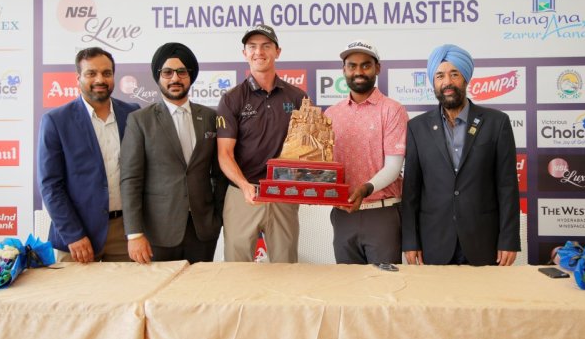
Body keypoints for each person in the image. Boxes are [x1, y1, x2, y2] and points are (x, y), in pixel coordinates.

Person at [401, 44, 520, 266]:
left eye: (454, 74)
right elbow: (411, 191)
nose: (447, 82)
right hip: (433, 242)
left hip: (483, 240)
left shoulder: (497, 123)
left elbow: (507, 187)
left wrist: (509, 239)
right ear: (433, 82)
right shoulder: (417, 127)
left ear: (465, 78)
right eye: (440, 76)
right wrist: (410, 241)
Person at [120, 42, 227, 264]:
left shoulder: (210, 117)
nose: (175, 78)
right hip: (158, 232)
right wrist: (134, 234)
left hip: (203, 230)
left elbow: (219, 174)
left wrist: (217, 218)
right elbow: (131, 180)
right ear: (158, 76)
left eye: (182, 72)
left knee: (200, 286)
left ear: (191, 76)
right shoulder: (140, 120)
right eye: (167, 72)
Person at [38, 47, 139, 262]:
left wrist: (137, 231)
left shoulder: (133, 114)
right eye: (91, 73)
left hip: (125, 233)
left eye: (106, 73)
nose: (100, 79)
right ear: (78, 78)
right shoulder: (56, 121)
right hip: (78, 236)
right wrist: (74, 234)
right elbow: (50, 185)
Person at [217, 24, 307, 262]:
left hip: (283, 194)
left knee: (286, 266)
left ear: (278, 52)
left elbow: (307, 151)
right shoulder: (231, 98)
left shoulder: (298, 97)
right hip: (242, 193)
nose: (259, 52)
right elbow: (225, 154)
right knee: (236, 268)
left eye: (266, 46)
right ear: (244, 53)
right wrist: (244, 185)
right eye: (252, 46)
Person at [324, 40, 408, 264]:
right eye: (352, 66)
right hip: (343, 215)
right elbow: (324, 166)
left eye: (366, 65)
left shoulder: (392, 110)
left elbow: (393, 167)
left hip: (381, 214)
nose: (359, 72)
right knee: (348, 283)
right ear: (344, 70)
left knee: (384, 283)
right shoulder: (331, 114)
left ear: (377, 68)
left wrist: (365, 189)